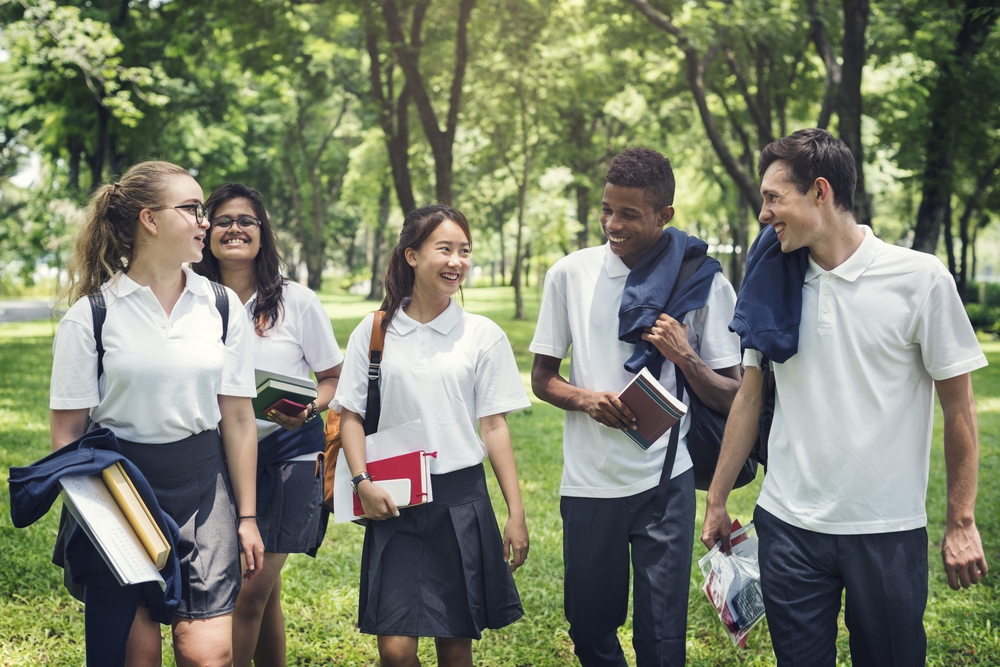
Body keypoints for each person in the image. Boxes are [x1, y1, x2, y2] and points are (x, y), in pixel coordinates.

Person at [702, 128, 989, 666]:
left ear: (820, 191)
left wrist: (962, 520)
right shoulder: (771, 282)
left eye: (773, 197)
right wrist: (717, 499)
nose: (764, 214)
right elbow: (748, 398)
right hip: (787, 526)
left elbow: (960, 407)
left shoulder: (920, 278)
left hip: (886, 530)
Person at [530, 146, 742, 666]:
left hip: (666, 483)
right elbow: (542, 378)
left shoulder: (704, 281)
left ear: (665, 214)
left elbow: (735, 396)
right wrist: (586, 399)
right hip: (589, 483)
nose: (612, 224)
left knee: (662, 638)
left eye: (629, 214)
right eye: (606, 209)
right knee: (589, 630)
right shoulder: (570, 274)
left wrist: (685, 356)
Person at [49, 161, 263, 666]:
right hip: (120, 492)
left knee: (208, 654)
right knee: (136, 657)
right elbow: (67, 433)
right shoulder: (92, 315)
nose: (205, 221)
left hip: (204, 488)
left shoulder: (222, 306)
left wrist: (247, 516)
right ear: (149, 219)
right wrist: (101, 517)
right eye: (192, 209)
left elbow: (237, 420)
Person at [334, 204, 530, 667]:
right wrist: (362, 482)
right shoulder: (375, 330)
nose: (456, 261)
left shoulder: (482, 334)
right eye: (444, 249)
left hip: (460, 501)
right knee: (395, 650)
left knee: (455, 648)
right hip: (394, 500)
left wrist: (516, 511)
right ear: (412, 255)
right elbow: (351, 415)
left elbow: (494, 426)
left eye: (465, 251)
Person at [192, 182, 343, 667]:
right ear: (206, 232)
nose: (234, 228)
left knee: (248, 592)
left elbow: (333, 378)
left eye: (246, 221)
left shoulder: (297, 301)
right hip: (220, 457)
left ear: (262, 232)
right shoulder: (192, 299)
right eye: (223, 220)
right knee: (266, 592)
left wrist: (309, 409)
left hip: (289, 453)